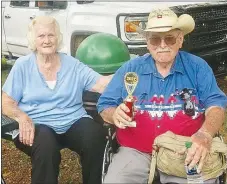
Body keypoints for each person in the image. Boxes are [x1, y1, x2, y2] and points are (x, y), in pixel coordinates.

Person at [97, 7, 227, 184]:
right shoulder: (130, 69)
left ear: (180, 40)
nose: (163, 45)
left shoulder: (198, 67)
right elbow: (105, 104)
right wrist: (114, 114)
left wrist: (205, 134)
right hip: (135, 151)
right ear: (147, 42)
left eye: (170, 38)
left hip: (184, 149)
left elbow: (216, 104)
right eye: (155, 40)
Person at [2, 16, 112, 184]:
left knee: (95, 136)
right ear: (34, 40)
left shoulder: (72, 64)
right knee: (46, 145)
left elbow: (102, 84)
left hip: (72, 120)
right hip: (37, 124)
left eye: (51, 35)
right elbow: (6, 102)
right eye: (41, 36)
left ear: (58, 38)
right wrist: (21, 117)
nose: (47, 40)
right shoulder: (22, 66)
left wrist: (130, 73)